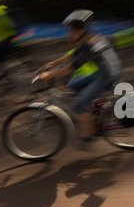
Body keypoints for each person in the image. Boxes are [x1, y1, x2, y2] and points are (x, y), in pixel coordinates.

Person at [38, 9, 122, 150]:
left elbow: (71, 67)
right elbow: (72, 56)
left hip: (107, 77)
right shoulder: (89, 38)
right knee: (74, 84)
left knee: (77, 105)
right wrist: (52, 64)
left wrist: (50, 74)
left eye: (72, 30)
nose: (69, 34)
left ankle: (88, 137)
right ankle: (91, 111)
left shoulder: (90, 46)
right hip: (104, 71)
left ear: (82, 29)